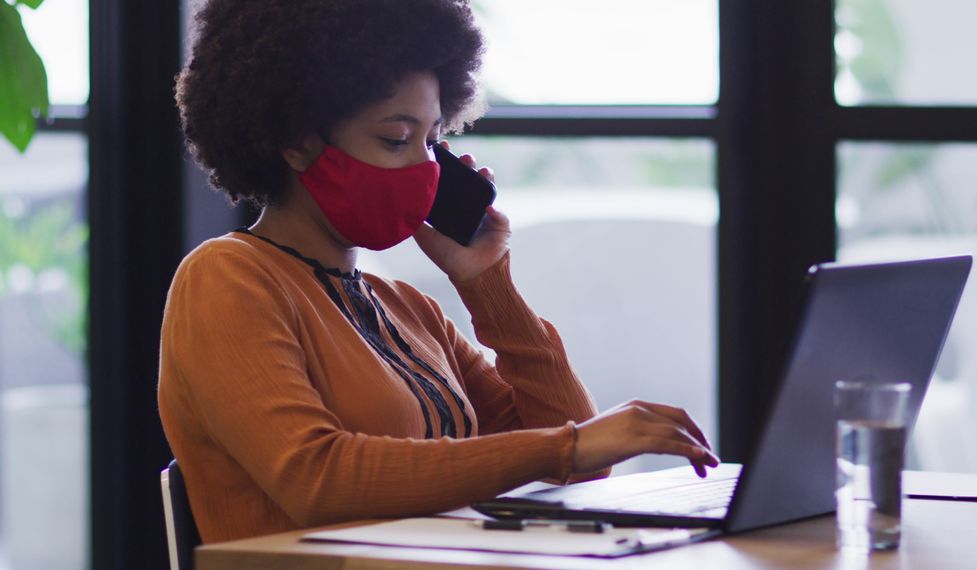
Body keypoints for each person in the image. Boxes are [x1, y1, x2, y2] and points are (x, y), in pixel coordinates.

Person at [159, 0, 718, 544]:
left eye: (433, 142)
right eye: (396, 140)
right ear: (297, 142)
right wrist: (569, 445)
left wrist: (487, 283)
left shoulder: (405, 308)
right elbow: (317, 479)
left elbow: (576, 469)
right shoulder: (226, 277)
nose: (425, 168)